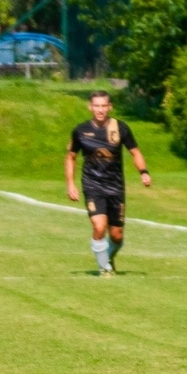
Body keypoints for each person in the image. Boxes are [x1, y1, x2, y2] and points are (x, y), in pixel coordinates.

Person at [66, 90, 152, 276]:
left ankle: (108, 256)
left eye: (104, 106)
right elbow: (71, 157)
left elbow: (135, 152)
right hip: (92, 184)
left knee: (116, 235)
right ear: (90, 107)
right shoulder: (80, 131)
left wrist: (143, 172)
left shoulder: (120, 128)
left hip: (115, 186)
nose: (100, 110)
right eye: (96, 106)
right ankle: (104, 267)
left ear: (110, 107)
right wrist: (70, 184)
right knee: (99, 226)